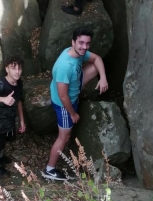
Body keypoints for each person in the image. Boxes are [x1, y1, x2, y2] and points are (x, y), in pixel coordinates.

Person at [42, 27, 108, 180]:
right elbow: (63, 96)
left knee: (95, 67)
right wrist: (73, 114)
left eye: (87, 43)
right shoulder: (65, 66)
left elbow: (97, 59)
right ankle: (49, 170)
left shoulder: (77, 52)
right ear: (73, 42)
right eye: (81, 43)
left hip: (73, 86)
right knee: (63, 137)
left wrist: (103, 77)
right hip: (64, 104)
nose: (84, 47)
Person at [0, 56, 26, 176]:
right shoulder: (1, 84)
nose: (17, 71)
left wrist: (22, 121)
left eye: (19, 68)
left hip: (9, 122)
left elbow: (18, 101)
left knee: (4, 142)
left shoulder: (19, 83)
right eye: (13, 68)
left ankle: (0, 157)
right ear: (7, 69)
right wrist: (3, 99)